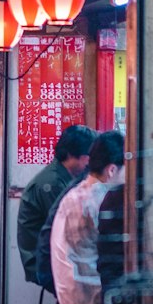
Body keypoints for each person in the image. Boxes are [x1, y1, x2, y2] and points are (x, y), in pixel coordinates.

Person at [50, 130, 125, 304]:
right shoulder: (99, 199)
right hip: (87, 296)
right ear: (112, 170)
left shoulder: (81, 191)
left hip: (70, 291)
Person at [17, 124, 96, 290]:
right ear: (71, 156)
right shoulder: (51, 184)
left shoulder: (64, 176)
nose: (89, 163)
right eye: (86, 157)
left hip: (53, 256)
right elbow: (69, 228)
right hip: (42, 262)